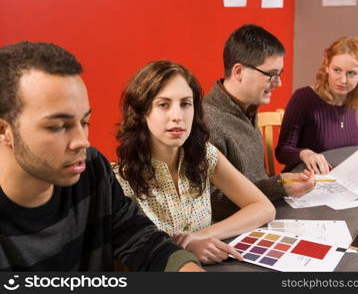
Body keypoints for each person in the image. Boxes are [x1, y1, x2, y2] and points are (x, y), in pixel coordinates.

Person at [0, 41, 203, 272]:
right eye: (57, 126)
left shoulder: (91, 166)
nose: (82, 141)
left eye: (84, 122)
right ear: (4, 131)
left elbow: (140, 239)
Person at [115, 60, 275, 264]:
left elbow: (263, 207)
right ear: (142, 112)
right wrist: (184, 250)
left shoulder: (204, 154)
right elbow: (124, 264)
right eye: (163, 104)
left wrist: (200, 236)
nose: (177, 116)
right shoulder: (120, 181)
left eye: (185, 104)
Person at [203, 24, 315, 221]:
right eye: (271, 74)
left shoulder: (246, 108)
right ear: (238, 72)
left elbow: (255, 181)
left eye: (279, 74)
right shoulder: (208, 124)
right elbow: (211, 204)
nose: (278, 83)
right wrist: (278, 186)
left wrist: (281, 183)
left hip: (261, 214)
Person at [275, 36, 358, 174]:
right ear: (327, 66)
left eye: (351, 73)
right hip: (304, 181)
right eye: (337, 70)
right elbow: (282, 152)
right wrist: (305, 154)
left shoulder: (350, 101)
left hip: (337, 181)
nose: (343, 80)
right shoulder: (304, 98)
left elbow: (338, 148)